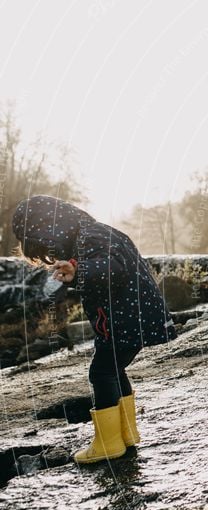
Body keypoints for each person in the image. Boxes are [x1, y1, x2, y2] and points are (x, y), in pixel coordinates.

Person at [12, 196, 176, 464]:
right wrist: (76, 272)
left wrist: (78, 271)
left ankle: (108, 443)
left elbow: (113, 268)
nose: (50, 256)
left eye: (46, 249)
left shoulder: (91, 236)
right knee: (113, 368)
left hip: (126, 321)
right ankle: (126, 434)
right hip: (128, 319)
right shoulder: (91, 233)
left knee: (101, 371)